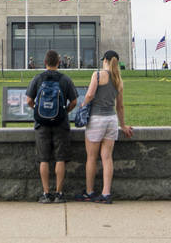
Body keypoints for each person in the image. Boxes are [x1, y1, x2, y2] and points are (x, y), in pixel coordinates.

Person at [73, 49, 132, 203]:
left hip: (96, 120)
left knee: (91, 158)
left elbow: (90, 94)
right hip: (111, 120)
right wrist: (123, 125)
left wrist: (82, 105)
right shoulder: (118, 79)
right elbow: (120, 106)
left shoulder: (98, 75)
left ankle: (90, 191)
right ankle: (106, 193)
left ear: (105, 60)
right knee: (107, 158)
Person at [23, 49, 80, 203]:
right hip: (61, 123)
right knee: (60, 159)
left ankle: (46, 193)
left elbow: (28, 100)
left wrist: (38, 110)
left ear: (45, 63)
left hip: (41, 124)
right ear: (59, 62)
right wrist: (64, 111)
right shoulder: (65, 79)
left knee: (44, 159)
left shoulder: (38, 78)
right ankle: (59, 194)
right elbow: (74, 101)